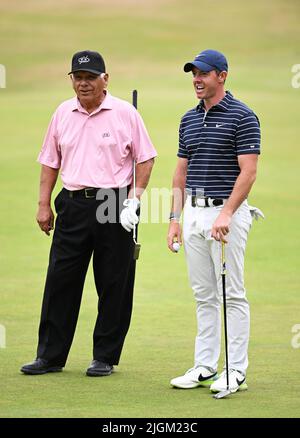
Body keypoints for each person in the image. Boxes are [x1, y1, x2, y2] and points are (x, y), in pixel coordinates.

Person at [21, 50, 157, 377]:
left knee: (113, 282)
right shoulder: (62, 112)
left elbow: (146, 159)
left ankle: (104, 357)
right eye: (78, 78)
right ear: (71, 80)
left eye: (90, 78)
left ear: (105, 79)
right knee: (60, 280)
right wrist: (43, 204)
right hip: (72, 201)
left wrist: (134, 199)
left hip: (114, 203)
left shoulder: (125, 113)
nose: (83, 84)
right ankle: (50, 356)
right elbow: (50, 160)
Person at [168, 49, 262, 392]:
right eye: (193, 73)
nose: (197, 79)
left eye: (203, 73)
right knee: (203, 294)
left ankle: (236, 369)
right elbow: (181, 171)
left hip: (228, 215)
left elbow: (248, 173)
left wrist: (227, 212)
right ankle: (205, 365)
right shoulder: (188, 119)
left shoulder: (243, 116)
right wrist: (175, 218)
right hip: (193, 213)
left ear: (221, 75)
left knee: (231, 294)